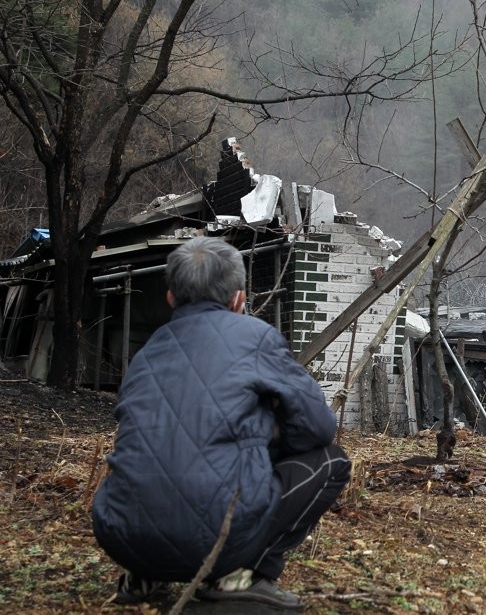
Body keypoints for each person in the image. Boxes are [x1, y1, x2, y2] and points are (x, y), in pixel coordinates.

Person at [92, 237, 350, 610]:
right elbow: (319, 427)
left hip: (120, 534)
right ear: (239, 300)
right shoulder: (256, 337)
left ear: (170, 298)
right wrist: (271, 437)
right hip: (217, 537)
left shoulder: (146, 353)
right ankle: (238, 578)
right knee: (331, 460)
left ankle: (144, 573)